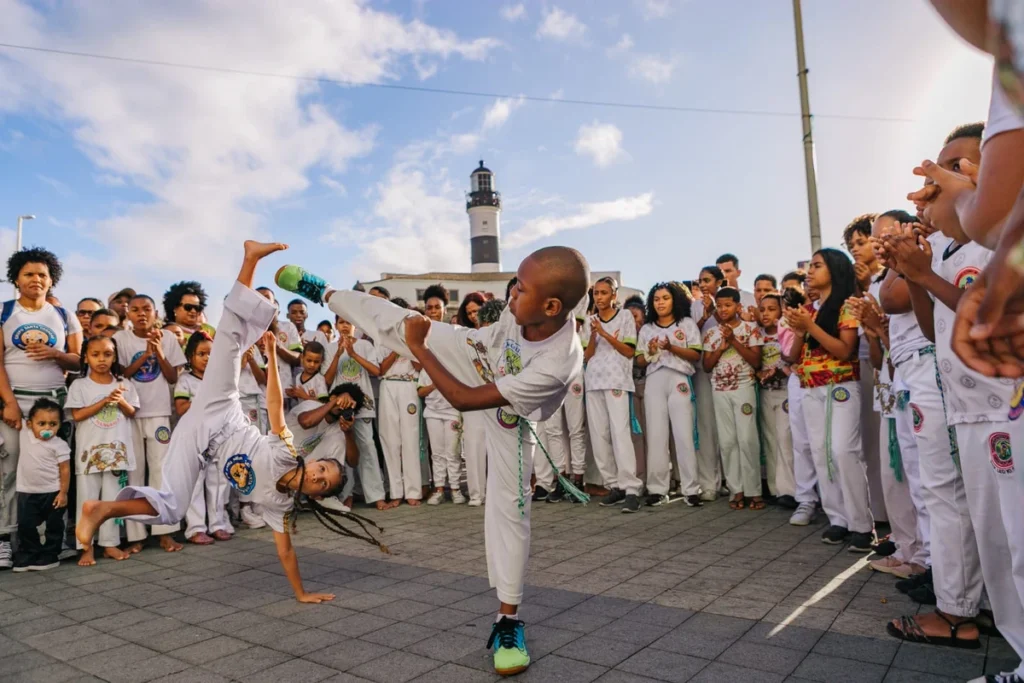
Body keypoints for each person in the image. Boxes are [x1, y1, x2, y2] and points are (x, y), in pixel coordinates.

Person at [275, 244, 589, 675]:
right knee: (404, 322)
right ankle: (325, 292)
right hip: (480, 351)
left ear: (552, 306)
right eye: (514, 281)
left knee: (512, 509)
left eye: (522, 288)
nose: (512, 292)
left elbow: (462, 399)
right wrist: (421, 337)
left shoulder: (558, 362)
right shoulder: (530, 305)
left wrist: (420, 350)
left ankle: (508, 620)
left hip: (509, 416)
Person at [77, 241, 382, 605]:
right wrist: (269, 355)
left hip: (198, 444)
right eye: (322, 469)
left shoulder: (279, 507)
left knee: (172, 508)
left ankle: (102, 509)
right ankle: (250, 257)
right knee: (230, 341)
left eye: (323, 484)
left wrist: (301, 593)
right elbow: (273, 406)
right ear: (312, 461)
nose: (318, 476)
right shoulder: (287, 454)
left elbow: (285, 553)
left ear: (315, 496)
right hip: (220, 409)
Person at [784, 249, 874, 552]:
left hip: (841, 387)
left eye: (817, 266)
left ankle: (862, 524)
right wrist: (800, 330)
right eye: (810, 265)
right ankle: (838, 520)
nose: (810, 271)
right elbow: (793, 357)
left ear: (834, 271)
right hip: (809, 387)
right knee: (821, 452)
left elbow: (845, 351)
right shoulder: (808, 309)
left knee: (844, 451)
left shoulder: (848, 306)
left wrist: (810, 328)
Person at [0, 247, 83, 570]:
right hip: (16, 402)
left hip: (53, 403)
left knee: (54, 470)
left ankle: (54, 537)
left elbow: (77, 360)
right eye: (29, 274)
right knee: (11, 472)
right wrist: (7, 402)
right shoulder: (5, 313)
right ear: (16, 279)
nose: (36, 279)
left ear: (52, 280)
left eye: (42, 275)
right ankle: (7, 540)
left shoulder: (63, 316)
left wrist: (56, 354)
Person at [114, 295, 188, 553]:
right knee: (134, 473)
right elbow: (120, 373)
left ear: (155, 312)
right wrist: (144, 354)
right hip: (130, 413)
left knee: (160, 472)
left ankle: (164, 532)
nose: (141, 314)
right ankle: (136, 535)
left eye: (146, 309)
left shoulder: (166, 338)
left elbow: (171, 377)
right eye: (135, 310)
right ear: (127, 314)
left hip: (159, 414)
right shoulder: (120, 339)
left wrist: (157, 352)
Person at [66, 336, 139, 566]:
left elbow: (132, 412)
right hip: (89, 455)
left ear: (114, 356)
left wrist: (120, 401)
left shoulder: (124, 383)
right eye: (95, 354)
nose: (101, 359)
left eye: (107, 354)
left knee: (112, 501)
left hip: (117, 453)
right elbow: (77, 415)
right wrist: (105, 401)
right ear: (86, 357)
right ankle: (85, 547)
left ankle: (109, 544)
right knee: (87, 502)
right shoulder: (80, 385)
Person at [636, 282, 703, 507]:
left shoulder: (686, 323)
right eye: (656, 299)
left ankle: (691, 488)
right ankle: (657, 489)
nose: (660, 302)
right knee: (656, 435)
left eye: (665, 298)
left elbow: (695, 354)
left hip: (679, 379)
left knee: (684, 435)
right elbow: (639, 360)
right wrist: (652, 351)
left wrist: (671, 348)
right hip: (654, 379)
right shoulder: (647, 329)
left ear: (674, 299)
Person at [702, 287, 764, 510]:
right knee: (728, 442)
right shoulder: (711, 333)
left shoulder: (751, 329)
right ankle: (736, 489)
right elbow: (707, 366)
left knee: (747, 439)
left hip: (744, 388)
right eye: (719, 306)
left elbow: (756, 362)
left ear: (738, 306)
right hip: (720, 390)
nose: (723, 309)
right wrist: (720, 348)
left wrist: (734, 341)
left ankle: (754, 490)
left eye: (728, 305)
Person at [844, 214, 888, 524]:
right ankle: (883, 514)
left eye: (861, 242)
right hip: (866, 362)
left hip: (893, 363)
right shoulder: (855, 283)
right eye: (851, 246)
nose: (856, 250)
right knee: (873, 442)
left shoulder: (891, 277)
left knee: (890, 443)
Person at [585, 277, 642, 514]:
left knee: (620, 434)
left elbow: (629, 351)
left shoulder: (625, 317)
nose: (599, 297)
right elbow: (588, 355)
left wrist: (605, 334)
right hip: (593, 382)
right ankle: (613, 485)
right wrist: (593, 334)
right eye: (596, 293)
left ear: (613, 295)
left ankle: (631, 488)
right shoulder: (591, 320)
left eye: (604, 293)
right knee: (600, 436)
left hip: (617, 381)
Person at [173, 332, 234, 545]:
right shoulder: (186, 381)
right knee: (196, 482)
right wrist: (205, 401)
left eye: (211, 354)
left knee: (218, 480)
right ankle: (196, 527)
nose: (207, 358)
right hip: (194, 436)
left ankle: (218, 523)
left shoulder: (219, 381)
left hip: (217, 435)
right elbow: (181, 408)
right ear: (190, 357)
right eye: (201, 354)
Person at [322, 316, 387, 511]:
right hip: (338, 407)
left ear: (355, 325)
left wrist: (352, 353)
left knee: (367, 448)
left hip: (363, 405)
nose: (344, 325)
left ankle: (376, 496)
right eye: (341, 322)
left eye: (348, 322)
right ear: (335, 325)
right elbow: (327, 379)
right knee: (342, 451)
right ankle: (346, 494)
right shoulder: (330, 347)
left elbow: (376, 370)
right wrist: (338, 354)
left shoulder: (365, 345)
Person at [12, 398, 70, 572]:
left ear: (59, 425)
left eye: (53, 424)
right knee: (26, 524)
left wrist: (63, 493)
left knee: (53, 525)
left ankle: (50, 554)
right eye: (41, 423)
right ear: (30, 424)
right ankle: (29, 553)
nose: (47, 428)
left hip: (52, 492)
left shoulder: (60, 445)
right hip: (27, 491)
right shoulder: (25, 434)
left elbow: (65, 470)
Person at [757, 292, 796, 507]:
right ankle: (773, 487)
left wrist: (779, 372)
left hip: (785, 391)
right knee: (770, 439)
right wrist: (758, 374)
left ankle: (788, 490)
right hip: (765, 392)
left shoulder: (787, 331)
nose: (766, 314)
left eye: (772, 309)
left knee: (785, 438)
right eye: (762, 309)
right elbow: (754, 362)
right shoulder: (757, 334)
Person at [690, 265, 725, 500]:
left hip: (729, 372)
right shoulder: (693, 306)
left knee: (728, 428)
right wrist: (705, 314)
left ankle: (732, 482)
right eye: (700, 280)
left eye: (708, 280)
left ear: (720, 282)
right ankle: (709, 484)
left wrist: (717, 310)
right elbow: (691, 335)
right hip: (703, 371)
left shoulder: (734, 300)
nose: (703, 284)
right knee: (706, 426)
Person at [455, 292, 489, 506]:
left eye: (476, 310)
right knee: (474, 445)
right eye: (469, 313)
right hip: (472, 393)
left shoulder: (496, 331)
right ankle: (477, 493)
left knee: (495, 447)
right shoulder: (463, 336)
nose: (473, 315)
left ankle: (497, 492)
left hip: (495, 392)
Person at [162, 281, 215, 346]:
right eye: (188, 307)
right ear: (175, 308)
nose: (193, 311)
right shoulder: (169, 332)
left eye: (197, 307)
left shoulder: (210, 330)